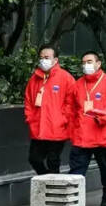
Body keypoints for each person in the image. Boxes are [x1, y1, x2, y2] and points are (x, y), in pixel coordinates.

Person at [67, 51, 106, 206]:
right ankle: (73, 197)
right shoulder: (77, 85)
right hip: (81, 136)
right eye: (84, 62)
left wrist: (104, 116)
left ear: (98, 64)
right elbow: (70, 109)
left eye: (90, 61)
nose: (86, 65)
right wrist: (72, 132)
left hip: (103, 135)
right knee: (76, 171)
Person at [24, 44, 75, 175]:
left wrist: (63, 118)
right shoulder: (34, 79)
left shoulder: (65, 78)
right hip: (38, 127)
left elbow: (71, 102)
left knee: (53, 160)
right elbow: (28, 101)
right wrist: (30, 117)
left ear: (55, 60)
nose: (43, 60)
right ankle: (47, 179)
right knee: (34, 159)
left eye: (47, 57)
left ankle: (54, 188)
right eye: (41, 57)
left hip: (57, 127)